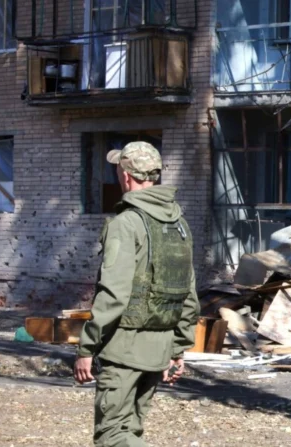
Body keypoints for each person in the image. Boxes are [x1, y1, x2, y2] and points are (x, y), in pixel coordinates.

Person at [73, 141, 199, 447]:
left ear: (126, 176)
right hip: (158, 350)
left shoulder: (126, 223)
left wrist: (87, 348)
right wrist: (177, 348)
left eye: (118, 168)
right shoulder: (178, 224)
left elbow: (114, 294)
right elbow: (189, 294)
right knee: (132, 430)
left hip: (123, 349)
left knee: (113, 436)